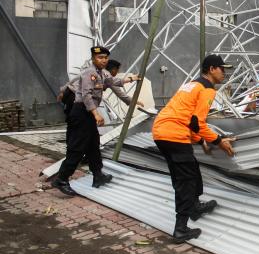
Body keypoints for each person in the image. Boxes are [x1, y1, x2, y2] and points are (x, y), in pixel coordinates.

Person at [152, 54, 236, 243]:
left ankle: (195, 206)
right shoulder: (207, 89)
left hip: (161, 131)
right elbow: (198, 122)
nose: (225, 73)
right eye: (223, 69)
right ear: (212, 69)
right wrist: (218, 141)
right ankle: (181, 228)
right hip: (174, 134)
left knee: (190, 170)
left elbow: (189, 119)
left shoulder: (191, 85)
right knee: (186, 181)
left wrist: (200, 142)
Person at [52, 47, 141, 196]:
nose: (104, 60)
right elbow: (86, 95)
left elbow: (115, 82)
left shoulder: (103, 73)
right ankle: (61, 178)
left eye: (105, 57)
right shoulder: (90, 73)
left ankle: (98, 175)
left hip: (87, 113)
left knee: (93, 144)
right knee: (77, 147)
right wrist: (96, 114)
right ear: (94, 58)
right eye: (100, 57)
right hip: (81, 112)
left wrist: (132, 78)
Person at [57, 59, 143, 118]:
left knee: (73, 121)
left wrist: (62, 91)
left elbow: (76, 78)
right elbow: (121, 94)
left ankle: (76, 140)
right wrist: (132, 79)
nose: (117, 73)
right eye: (117, 70)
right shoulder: (106, 77)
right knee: (79, 122)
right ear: (113, 70)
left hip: (69, 93)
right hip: (76, 98)